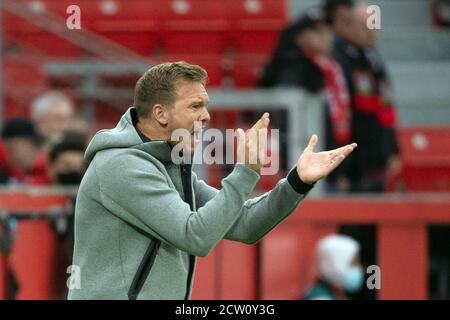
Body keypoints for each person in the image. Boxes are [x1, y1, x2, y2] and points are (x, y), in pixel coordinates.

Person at [68, 61, 357, 300]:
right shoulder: (122, 165)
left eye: (205, 106)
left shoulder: (168, 166)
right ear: (161, 114)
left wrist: (297, 182)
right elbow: (196, 236)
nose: (206, 116)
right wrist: (245, 171)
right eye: (195, 106)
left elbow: (245, 224)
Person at [258, 8, 352, 192]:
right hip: (307, 172)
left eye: (327, 31)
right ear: (302, 37)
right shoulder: (292, 73)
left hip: (329, 166)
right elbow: (289, 128)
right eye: (318, 32)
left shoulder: (329, 69)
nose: (327, 37)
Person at [329, 1, 400, 193]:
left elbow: (385, 106)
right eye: (366, 26)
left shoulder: (372, 59)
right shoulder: (337, 59)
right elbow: (340, 115)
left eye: (374, 26)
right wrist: (339, 167)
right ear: (347, 25)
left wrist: (393, 150)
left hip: (375, 158)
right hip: (352, 162)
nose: (372, 32)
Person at [302, 234, 364, 300]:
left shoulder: (337, 294)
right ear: (336, 264)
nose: (359, 269)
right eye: (353, 263)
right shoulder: (320, 298)